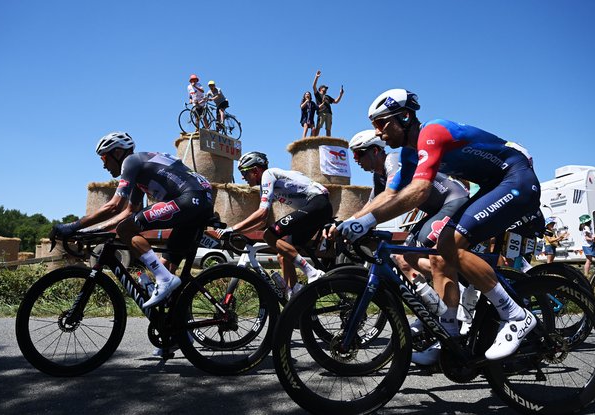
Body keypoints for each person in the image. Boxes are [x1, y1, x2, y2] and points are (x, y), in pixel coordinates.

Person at [329, 88, 541, 362]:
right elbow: (389, 195)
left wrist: (367, 221)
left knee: (449, 243)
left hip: (516, 179)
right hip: (492, 185)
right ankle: (449, 337)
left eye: (382, 124)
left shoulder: (433, 132)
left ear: (404, 117)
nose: (379, 133)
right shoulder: (408, 154)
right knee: (441, 256)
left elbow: (418, 191)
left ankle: (515, 314)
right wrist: (353, 221)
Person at [51, 132, 215, 313]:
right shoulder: (141, 171)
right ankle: (180, 332)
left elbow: (114, 207)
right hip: (199, 201)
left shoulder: (131, 161)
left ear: (118, 152)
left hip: (190, 199)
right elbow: (130, 211)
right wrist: (92, 231)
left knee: (127, 229)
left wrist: (73, 226)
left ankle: (165, 280)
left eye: (104, 157)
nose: (103, 165)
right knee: (165, 266)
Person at [349, 129, 470, 365]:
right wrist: (353, 222)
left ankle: (450, 318)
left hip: (453, 200)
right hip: (437, 209)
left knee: (432, 259)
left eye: (359, 154)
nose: (356, 161)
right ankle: (439, 304)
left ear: (375, 150)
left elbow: (392, 199)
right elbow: (374, 204)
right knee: (405, 258)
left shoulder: (393, 160)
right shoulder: (378, 176)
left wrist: (355, 222)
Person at [217, 152, 332, 299]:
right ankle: (293, 295)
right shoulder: (269, 180)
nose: (242, 177)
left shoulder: (268, 175)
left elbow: (262, 213)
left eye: (244, 172)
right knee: (283, 254)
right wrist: (240, 232)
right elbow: (262, 222)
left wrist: (233, 229)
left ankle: (312, 272)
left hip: (318, 203)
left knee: (269, 235)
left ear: (255, 170)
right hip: (318, 207)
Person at [312, 70, 344, 137]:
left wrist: (341, 94)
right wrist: (316, 77)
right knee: (319, 127)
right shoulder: (317, 94)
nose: (326, 89)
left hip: (329, 113)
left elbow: (336, 101)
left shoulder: (327, 96)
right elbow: (314, 86)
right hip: (321, 112)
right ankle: (315, 140)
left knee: (328, 129)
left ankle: (328, 141)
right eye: (324, 88)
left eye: (326, 89)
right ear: (320, 89)